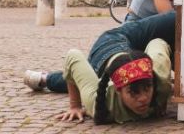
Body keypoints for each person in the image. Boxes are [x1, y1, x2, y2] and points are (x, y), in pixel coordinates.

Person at [23, 10, 175, 124]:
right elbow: (72, 56)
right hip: (105, 48)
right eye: (134, 92)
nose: (143, 98)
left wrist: (161, 100)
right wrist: (75, 106)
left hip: (129, 46)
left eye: (147, 88)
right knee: (78, 81)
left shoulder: (160, 82)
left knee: (173, 17)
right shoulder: (97, 102)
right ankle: (44, 78)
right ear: (118, 90)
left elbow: (158, 43)